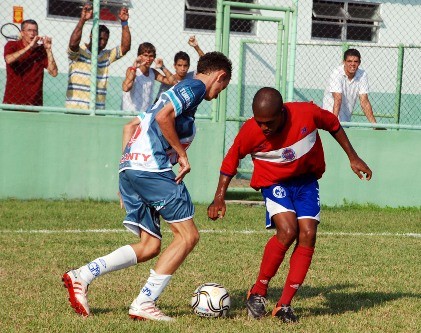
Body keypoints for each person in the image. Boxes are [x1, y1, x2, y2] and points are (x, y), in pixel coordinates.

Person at [62, 52, 232, 321]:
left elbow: (130, 126)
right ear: (220, 76)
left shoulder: (172, 94)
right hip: (152, 169)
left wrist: (125, 172)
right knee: (188, 236)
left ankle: (81, 275)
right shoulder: (196, 86)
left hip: (132, 169)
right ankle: (144, 302)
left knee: (150, 245)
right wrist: (182, 155)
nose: (220, 92)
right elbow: (165, 118)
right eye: (223, 86)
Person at [207, 87, 372, 323]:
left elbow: (333, 123)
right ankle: (258, 292)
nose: (263, 127)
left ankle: (284, 305)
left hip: (305, 181)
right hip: (274, 181)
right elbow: (232, 158)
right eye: (259, 121)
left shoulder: (306, 113)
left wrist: (353, 157)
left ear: (282, 112)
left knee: (308, 233)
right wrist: (219, 196)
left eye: (269, 122)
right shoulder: (251, 132)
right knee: (287, 231)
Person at [65, 4, 131, 110]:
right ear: (91, 36)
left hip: (97, 110)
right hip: (75, 109)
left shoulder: (106, 56)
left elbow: (125, 47)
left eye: (105, 40)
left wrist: (124, 23)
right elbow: (72, 45)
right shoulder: (79, 52)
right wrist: (83, 20)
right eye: (100, 38)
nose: (102, 42)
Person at [3, 19, 58, 107]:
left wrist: (48, 50)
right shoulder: (12, 45)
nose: (32, 33)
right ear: (22, 33)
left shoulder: (41, 50)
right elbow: (9, 59)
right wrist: (30, 47)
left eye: (35, 30)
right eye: (29, 30)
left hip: (34, 104)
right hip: (12, 103)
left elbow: (54, 72)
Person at [323, 48, 377, 124]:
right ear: (344, 62)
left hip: (345, 120)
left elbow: (364, 100)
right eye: (349, 61)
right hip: (329, 119)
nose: (352, 64)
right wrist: (333, 123)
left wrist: (374, 125)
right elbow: (338, 98)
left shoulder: (362, 75)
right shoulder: (336, 74)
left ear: (359, 63)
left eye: (356, 61)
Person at [121, 42, 175, 112]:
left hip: (144, 115)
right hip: (129, 113)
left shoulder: (153, 72)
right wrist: (134, 68)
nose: (148, 59)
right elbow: (125, 88)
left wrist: (163, 67)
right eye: (145, 55)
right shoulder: (132, 70)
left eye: (151, 56)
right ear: (139, 56)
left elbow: (172, 82)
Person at [154, 35, 205, 101]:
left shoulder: (191, 76)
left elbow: (205, 64)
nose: (182, 69)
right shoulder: (167, 80)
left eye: (185, 65)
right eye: (179, 65)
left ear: (189, 66)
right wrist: (162, 67)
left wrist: (196, 47)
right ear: (174, 66)